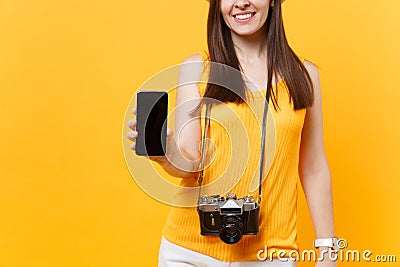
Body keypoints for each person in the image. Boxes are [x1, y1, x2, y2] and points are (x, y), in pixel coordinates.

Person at [127, 0, 336, 266]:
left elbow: (314, 168)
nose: (241, 3)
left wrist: (328, 251)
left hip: (271, 254)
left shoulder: (304, 76)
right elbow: (191, 162)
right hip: (189, 252)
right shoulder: (197, 69)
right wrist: (165, 153)